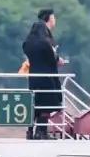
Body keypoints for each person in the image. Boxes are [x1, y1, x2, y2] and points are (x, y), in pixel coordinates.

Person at [22, 8, 62, 140]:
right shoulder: (45, 38)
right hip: (46, 77)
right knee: (46, 104)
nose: (55, 19)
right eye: (53, 17)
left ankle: (30, 132)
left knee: (35, 104)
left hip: (33, 77)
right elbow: (50, 54)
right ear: (49, 19)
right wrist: (57, 59)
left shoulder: (31, 37)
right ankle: (41, 132)